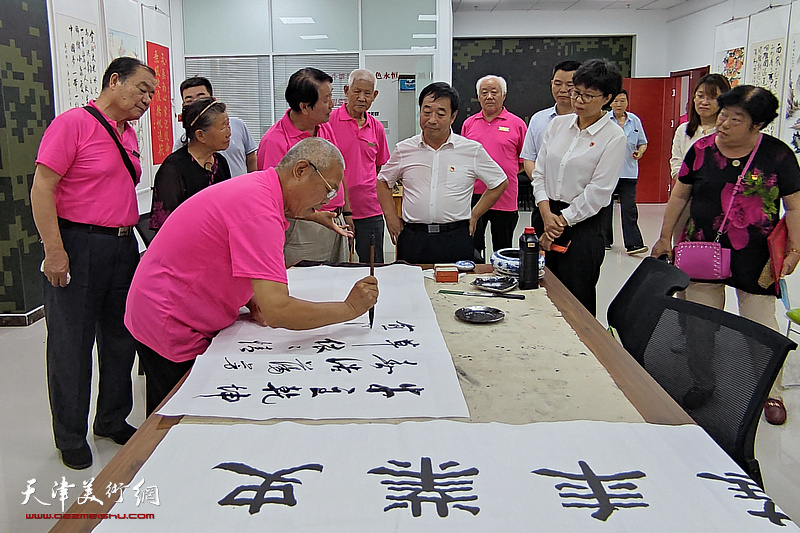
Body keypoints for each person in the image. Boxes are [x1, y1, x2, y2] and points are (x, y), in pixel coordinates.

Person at [125, 137, 378, 415]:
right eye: (328, 191)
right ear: (301, 170)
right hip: (169, 320)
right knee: (179, 422)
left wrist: (253, 298)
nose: (327, 201)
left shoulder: (261, 191)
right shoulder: (259, 210)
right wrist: (349, 309)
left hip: (167, 306)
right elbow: (278, 310)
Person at [30, 57, 156, 469]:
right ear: (114, 81)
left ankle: (111, 418)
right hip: (78, 244)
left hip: (122, 246)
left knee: (121, 339)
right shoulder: (73, 124)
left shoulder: (129, 134)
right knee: (72, 343)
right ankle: (70, 434)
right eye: (141, 89)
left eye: (152, 94)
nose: (147, 99)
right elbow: (42, 188)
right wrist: (54, 249)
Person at [651, 85, 800, 423]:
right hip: (703, 246)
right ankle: (703, 382)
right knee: (699, 323)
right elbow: (680, 197)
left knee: (761, 324)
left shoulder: (777, 155)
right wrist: (663, 238)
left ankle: (769, 392)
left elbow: (793, 206)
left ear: (756, 125)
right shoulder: (700, 150)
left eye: (736, 118)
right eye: (723, 115)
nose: (724, 123)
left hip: (756, 253)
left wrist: (794, 249)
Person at [531, 59, 626, 316]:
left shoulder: (614, 137)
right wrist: (545, 213)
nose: (578, 100)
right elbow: (539, 172)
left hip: (583, 224)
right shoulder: (558, 125)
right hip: (545, 212)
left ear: (607, 98)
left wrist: (559, 223)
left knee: (576, 296)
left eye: (587, 95)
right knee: (537, 289)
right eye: (576, 92)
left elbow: (598, 192)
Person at [376, 82, 508, 264]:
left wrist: (475, 214)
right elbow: (382, 181)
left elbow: (499, 182)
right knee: (411, 288)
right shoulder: (404, 149)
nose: (432, 120)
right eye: (426, 112)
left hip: (455, 237)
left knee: (455, 289)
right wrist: (390, 217)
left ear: (453, 116)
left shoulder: (471, 150)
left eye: (440, 114)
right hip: (414, 237)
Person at [257, 67, 349, 265]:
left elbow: (339, 174)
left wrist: (347, 212)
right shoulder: (276, 141)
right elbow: (274, 201)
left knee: (336, 282)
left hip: (335, 221)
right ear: (305, 107)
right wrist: (316, 217)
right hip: (303, 228)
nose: (332, 105)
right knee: (309, 286)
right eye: (326, 100)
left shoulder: (324, 127)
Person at [461, 75, 527, 261]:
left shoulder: (517, 124)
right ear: (478, 97)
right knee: (473, 246)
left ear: (503, 95)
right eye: (484, 92)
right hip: (474, 195)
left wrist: (501, 176)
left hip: (505, 197)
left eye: (494, 92)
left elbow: (523, 162)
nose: (489, 96)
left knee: (503, 246)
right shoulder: (469, 124)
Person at [328, 69, 390, 263]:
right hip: (335, 211)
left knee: (373, 265)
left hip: (370, 210)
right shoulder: (329, 122)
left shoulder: (377, 128)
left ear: (374, 96)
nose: (362, 98)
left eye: (367, 93)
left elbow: (380, 167)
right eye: (357, 91)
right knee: (336, 266)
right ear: (346, 91)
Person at [150, 97, 231, 230]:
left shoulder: (220, 162)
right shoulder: (174, 168)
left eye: (228, 125)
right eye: (223, 128)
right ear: (200, 135)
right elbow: (165, 225)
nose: (229, 133)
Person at [668, 74, 731, 245]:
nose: (704, 102)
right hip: (685, 198)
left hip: (716, 203)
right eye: (700, 96)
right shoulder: (684, 130)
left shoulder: (726, 133)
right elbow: (676, 162)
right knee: (682, 247)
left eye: (712, 97)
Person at [175, 76, 257, 177]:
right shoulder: (182, 144)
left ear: (213, 100)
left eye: (202, 98)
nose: (197, 104)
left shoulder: (238, 125)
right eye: (189, 101)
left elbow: (251, 159)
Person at [602, 89, 648, 254]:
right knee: (605, 208)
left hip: (629, 172)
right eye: (615, 101)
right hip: (608, 172)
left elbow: (643, 142)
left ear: (627, 102)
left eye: (622, 101)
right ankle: (605, 240)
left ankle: (633, 243)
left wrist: (640, 152)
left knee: (629, 208)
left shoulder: (635, 121)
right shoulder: (604, 119)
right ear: (610, 102)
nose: (618, 104)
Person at [521, 60, 581, 179]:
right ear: (551, 83)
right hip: (543, 192)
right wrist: (541, 188)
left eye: (569, 85)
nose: (563, 89)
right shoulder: (538, 119)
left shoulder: (588, 120)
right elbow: (529, 159)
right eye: (558, 84)